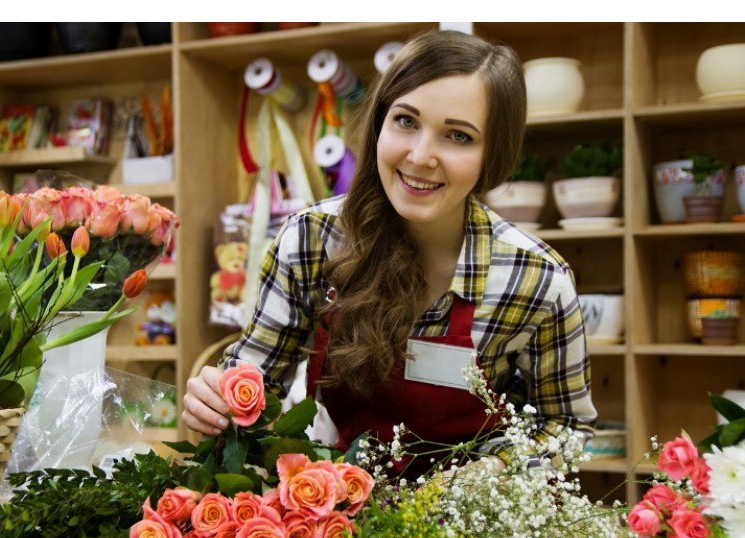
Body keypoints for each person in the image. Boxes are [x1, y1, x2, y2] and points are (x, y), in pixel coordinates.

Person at [182, 28, 596, 473]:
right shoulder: (311, 241)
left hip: (476, 523)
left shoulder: (535, 280)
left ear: (492, 154)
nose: (420, 156)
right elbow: (256, 381)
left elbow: (566, 427)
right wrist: (218, 401)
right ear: (379, 122)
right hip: (339, 507)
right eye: (406, 121)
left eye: (458, 136)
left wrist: (490, 477)